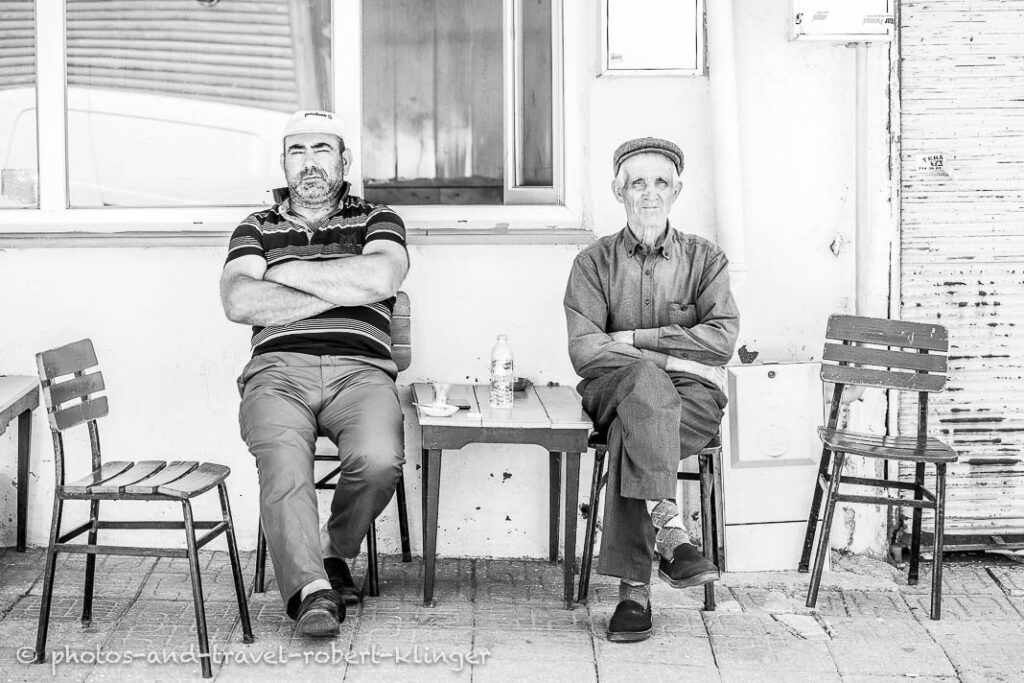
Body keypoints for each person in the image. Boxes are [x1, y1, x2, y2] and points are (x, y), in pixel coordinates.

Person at [220, 110, 409, 637]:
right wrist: (338, 291)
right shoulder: (256, 227)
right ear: (284, 161)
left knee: (378, 462)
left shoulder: (378, 219)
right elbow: (238, 300)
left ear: (344, 159)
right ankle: (312, 592)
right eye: (298, 152)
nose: (310, 164)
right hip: (277, 373)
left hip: (362, 371)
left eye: (322, 150)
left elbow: (381, 274)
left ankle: (332, 551)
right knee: (284, 465)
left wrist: (288, 273)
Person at [563, 137, 739, 642]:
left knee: (633, 431)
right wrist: (674, 357)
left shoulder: (707, 260)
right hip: (612, 389)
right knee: (642, 386)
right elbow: (585, 351)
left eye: (660, 182)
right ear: (619, 191)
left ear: (677, 190)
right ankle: (671, 534)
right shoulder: (592, 264)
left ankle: (633, 592)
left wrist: (640, 342)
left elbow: (722, 340)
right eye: (637, 182)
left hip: (694, 402)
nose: (649, 193)